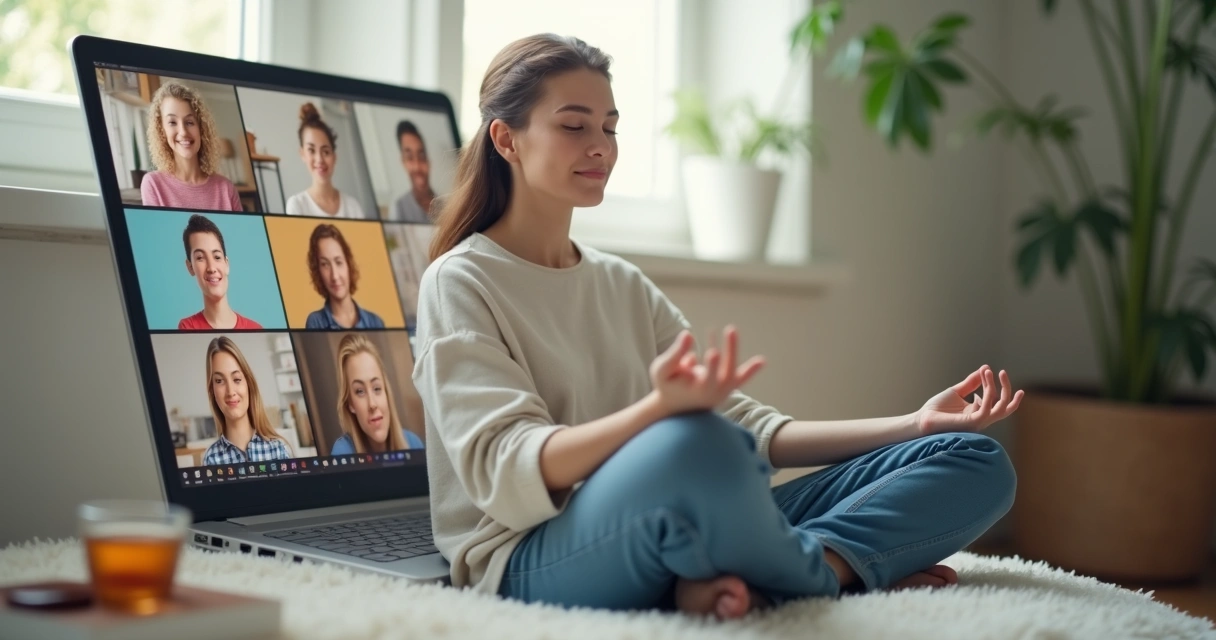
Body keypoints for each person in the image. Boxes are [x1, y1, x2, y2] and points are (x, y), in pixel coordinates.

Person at [411, 34, 1025, 620]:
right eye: (574, 126)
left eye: (610, 128)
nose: (600, 146)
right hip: (531, 558)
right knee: (698, 449)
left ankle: (773, 572)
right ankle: (819, 575)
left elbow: (752, 431)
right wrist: (657, 411)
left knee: (974, 461)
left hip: (670, 517)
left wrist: (911, 424)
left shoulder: (620, 283)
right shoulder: (460, 282)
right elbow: (507, 469)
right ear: (505, 139)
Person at [141, 81, 243, 211]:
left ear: (201, 128)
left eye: (189, 122)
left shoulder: (225, 187)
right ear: (162, 130)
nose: (183, 132)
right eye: (172, 122)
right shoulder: (153, 184)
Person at [202, 336, 292, 465]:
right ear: (212, 390)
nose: (230, 391)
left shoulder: (277, 449)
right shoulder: (211, 459)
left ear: (249, 384)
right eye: (219, 381)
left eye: (237, 379)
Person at [329, 333, 424, 456]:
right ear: (350, 404)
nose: (372, 404)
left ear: (386, 392)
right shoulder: (342, 453)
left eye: (377, 388)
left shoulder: (413, 444)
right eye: (360, 391)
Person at [178, 214, 263, 330]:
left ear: (226, 264)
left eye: (217, 257)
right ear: (190, 267)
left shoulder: (255, 328)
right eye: (200, 258)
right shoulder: (187, 327)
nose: (211, 268)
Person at [285, 103, 366, 219]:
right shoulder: (297, 205)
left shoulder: (353, 206)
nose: (319, 160)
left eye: (326, 152)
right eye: (311, 150)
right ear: (302, 155)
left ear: (334, 156)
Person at [304, 223, 386, 329]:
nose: (334, 276)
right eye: (325, 264)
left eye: (338, 262)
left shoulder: (375, 322)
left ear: (348, 264)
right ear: (317, 270)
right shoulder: (315, 322)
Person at [390, 120, 435, 223]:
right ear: (403, 162)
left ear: (428, 161)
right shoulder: (399, 208)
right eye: (410, 157)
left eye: (421, 156)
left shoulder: (447, 205)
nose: (417, 166)